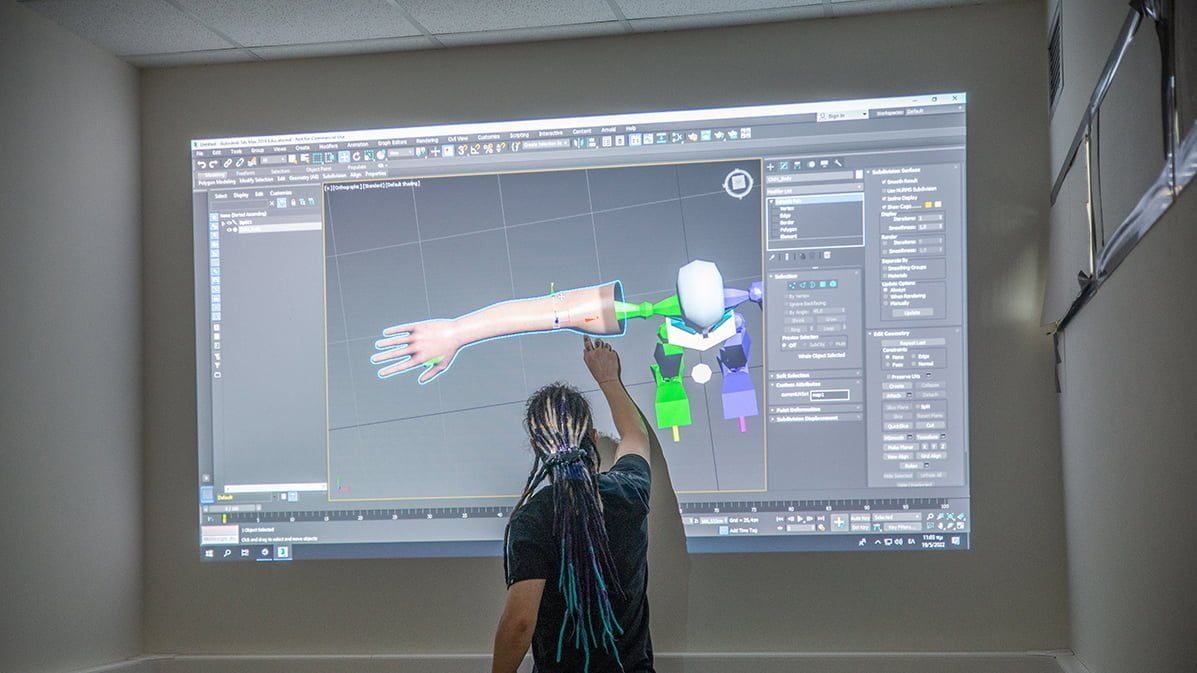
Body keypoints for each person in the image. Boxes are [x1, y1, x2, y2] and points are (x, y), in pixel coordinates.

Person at [491, 335, 659, 673]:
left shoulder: (533, 517)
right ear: (593, 438)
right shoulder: (629, 491)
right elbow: (635, 437)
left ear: (537, 447)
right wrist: (608, 379)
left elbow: (521, 622)